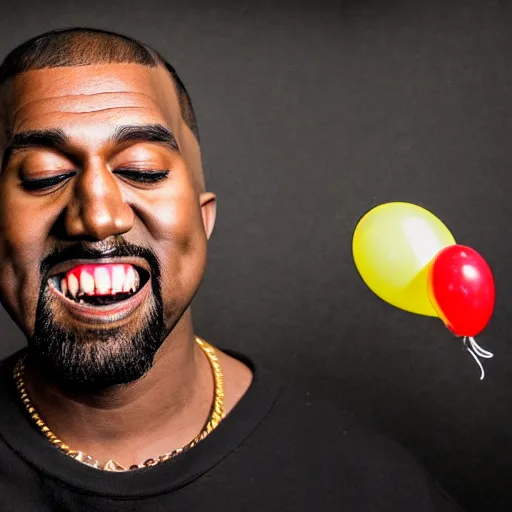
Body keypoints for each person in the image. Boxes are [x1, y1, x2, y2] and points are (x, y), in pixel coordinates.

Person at [0, 27, 463, 511]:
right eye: (45, 176)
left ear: (203, 220)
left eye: (142, 169)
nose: (98, 216)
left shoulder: (368, 485)